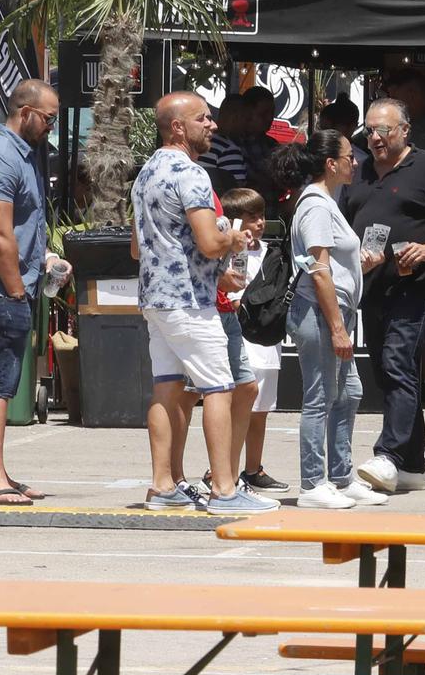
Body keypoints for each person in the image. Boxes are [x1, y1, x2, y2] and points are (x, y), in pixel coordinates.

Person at [130, 90, 270, 515]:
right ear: (178, 127)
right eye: (203, 119)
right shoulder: (191, 174)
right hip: (190, 302)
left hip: (156, 299)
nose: (212, 125)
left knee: (166, 389)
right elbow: (211, 243)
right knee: (219, 390)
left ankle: (162, 486)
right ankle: (225, 490)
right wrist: (233, 235)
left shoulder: (146, 173)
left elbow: (138, 248)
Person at [345, 99, 425, 494]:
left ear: (404, 130)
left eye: (383, 130)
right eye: (369, 130)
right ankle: (413, 464)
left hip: (420, 287)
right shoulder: (360, 171)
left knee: (398, 361)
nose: (375, 138)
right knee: (388, 371)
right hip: (375, 286)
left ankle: (389, 454)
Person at [0, 79, 63, 507]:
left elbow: (18, 231)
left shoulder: (21, 156)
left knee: (3, 381)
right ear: (25, 112)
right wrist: (17, 291)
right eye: (48, 119)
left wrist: (43, 262)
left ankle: (0, 472)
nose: (51, 129)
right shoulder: (1, 158)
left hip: (11, 286)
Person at [281, 130, 378, 508]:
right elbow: (318, 270)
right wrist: (338, 328)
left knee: (349, 392)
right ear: (330, 163)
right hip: (319, 314)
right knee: (320, 396)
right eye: (348, 156)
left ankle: (340, 475)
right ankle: (312, 483)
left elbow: (329, 265)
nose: (354, 162)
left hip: (335, 312)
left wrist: (360, 265)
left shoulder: (327, 203)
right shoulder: (317, 206)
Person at [220, 187, 288, 496]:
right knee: (239, 407)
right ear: (234, 221)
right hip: (237, 335)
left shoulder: (271, 252)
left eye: (261, 216)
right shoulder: (224, 251)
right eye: (251, 217)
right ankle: (223, 470)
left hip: (266, 335)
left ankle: (253, 469)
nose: (259, 223)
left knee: (261, 409)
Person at [198, 95, 251, 193]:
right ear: (235, 118)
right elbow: (237, 194)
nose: (249, 125)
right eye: (247, 119)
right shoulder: (229, 149)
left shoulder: (196, 144)